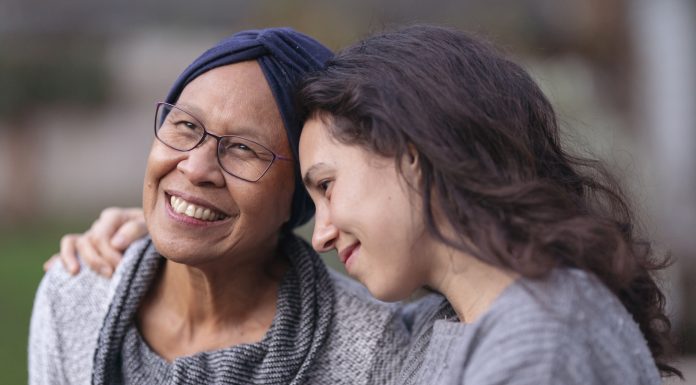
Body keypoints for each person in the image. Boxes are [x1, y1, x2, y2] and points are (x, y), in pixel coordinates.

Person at [50, 25, 681, 384]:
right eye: (184, 129)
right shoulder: (472, 323)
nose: (320, 233)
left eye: (325, 186)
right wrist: (170, 232)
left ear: (414, 154)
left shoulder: (534, 350)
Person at [30, 28, 410, 385]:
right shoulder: (75, 298)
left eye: (244, 148)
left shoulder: (371, 348)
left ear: (300, 191)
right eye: (186, 126)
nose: (196, 168)